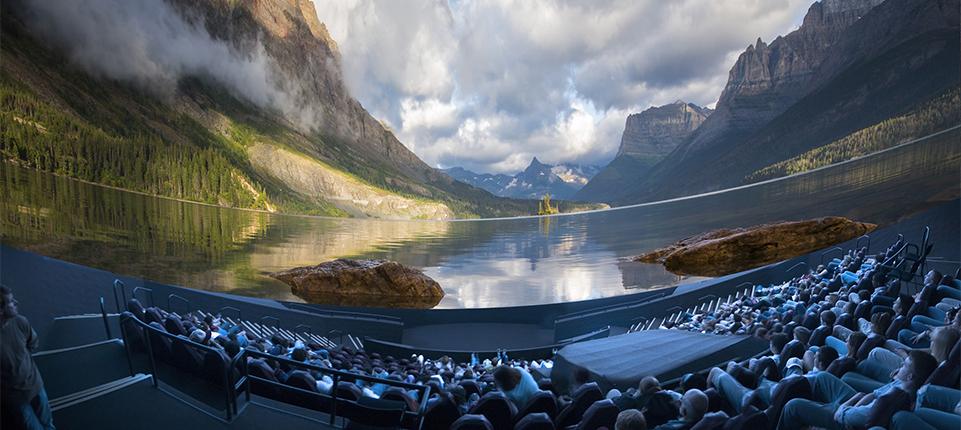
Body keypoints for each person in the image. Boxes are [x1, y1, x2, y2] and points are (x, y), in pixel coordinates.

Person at [1, 285, 55, 430]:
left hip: (36, 386)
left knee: (48, 425)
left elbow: (32, 343)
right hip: (15, 399)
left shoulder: (21, 322)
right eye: (11, 302)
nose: (16, 303)